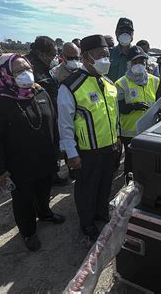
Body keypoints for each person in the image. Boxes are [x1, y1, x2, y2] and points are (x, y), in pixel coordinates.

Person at [0, 54, 65, 251]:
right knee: (23, 199)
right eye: (19, 71)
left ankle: (45, 213)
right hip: (19, 165)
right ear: (6, 73)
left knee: (44, 190)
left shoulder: (40, 93)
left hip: (45, 158)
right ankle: (28, 232)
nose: (26, 74)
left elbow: (52, 123)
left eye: (28, 69)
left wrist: (58, 150)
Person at [57, 35, 120, 241]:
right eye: (100, 55)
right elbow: (65, 124)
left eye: (107, 55)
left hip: (110, 147)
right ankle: (87, 222)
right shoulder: (71, 86)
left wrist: (117, 139)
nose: (106, 59)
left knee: (105, 184)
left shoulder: (109, 84)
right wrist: (71, 153)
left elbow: (114, 115)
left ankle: (101, 212)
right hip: (87, 151)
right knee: (87, 188)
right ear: (86, 57)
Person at [26, 36, 68, 187]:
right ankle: (46, 178)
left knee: (52, 146)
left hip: (50, 111)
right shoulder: (30, 68)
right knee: (44, 148)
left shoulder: (44, 66)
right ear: (40, 53)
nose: (54, 58)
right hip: (38, 116)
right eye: (52, 55)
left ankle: (52, 174)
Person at [116, 46, 161, 178]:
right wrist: (133, 106)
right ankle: (129, 187)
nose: (139, 65)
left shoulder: (155, 81)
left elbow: (159, 103)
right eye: (135, 62)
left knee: (147, 161)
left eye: (142, 62)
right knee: (130, 163)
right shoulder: (121, 83)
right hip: (129, 131)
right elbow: (118, 107)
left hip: (149, 129)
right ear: (129, 64)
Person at [107, 17, 134, 82]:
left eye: (128, 31)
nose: (125, 34)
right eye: (122, 30)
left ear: (133, 34)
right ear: (116, 32)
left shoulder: (139, 56)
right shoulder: (107, 54)